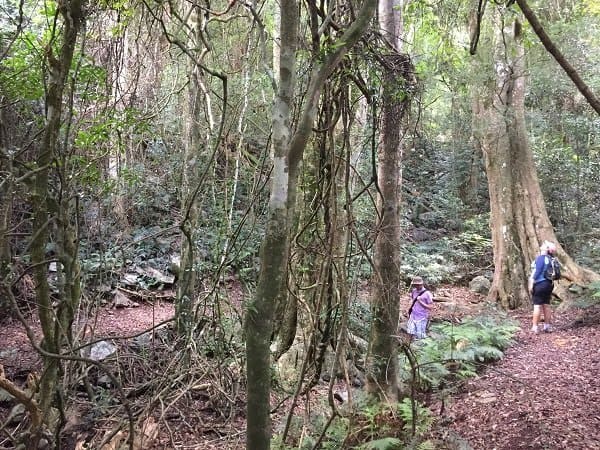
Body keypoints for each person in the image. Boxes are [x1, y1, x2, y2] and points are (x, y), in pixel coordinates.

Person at [528, 240, 557, 333]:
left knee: (537, 306)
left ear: (547, 249)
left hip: (540, 284)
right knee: (546, 305)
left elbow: (538, 271)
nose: (542, 245)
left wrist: (531, 282)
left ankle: (535, 327)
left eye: (545, 245)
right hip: (549, 284)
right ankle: (547, 326)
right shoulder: (550, 259)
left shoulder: (541, 258)